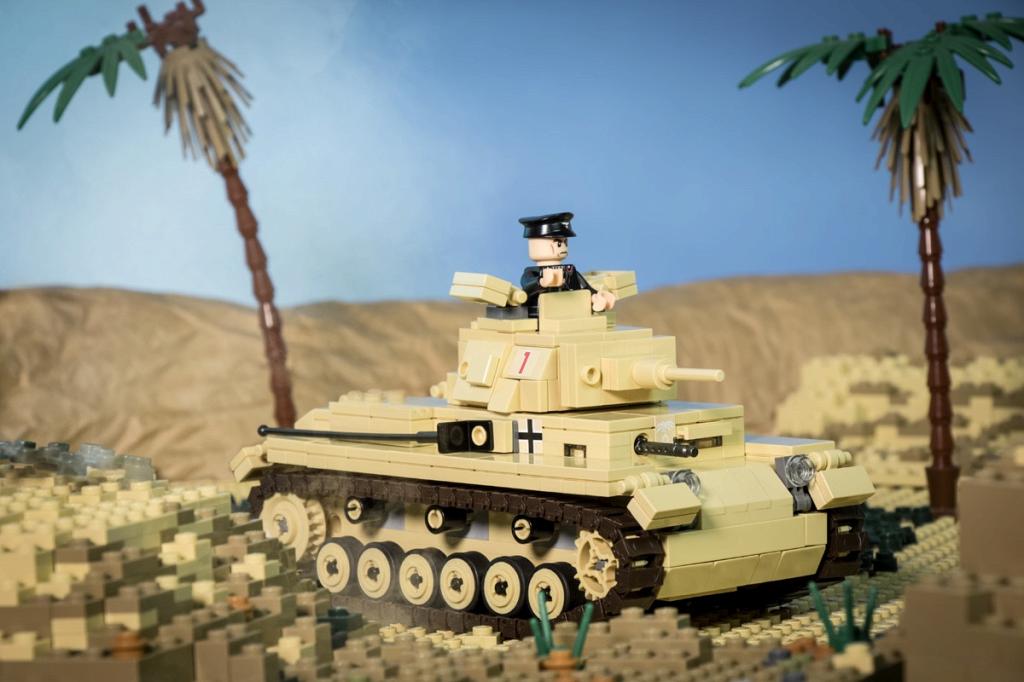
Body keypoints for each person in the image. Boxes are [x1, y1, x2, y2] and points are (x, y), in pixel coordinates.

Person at [519, 212, 616, 317]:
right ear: (535, 246)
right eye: (559, 243)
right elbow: (527, 288)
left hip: (570, 315)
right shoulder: (532, 272)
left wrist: (597, 297)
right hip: (541, 316)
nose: (563, 247)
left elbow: (585, 288)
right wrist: (541, 282)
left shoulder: (569, 271)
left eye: (565, 242)